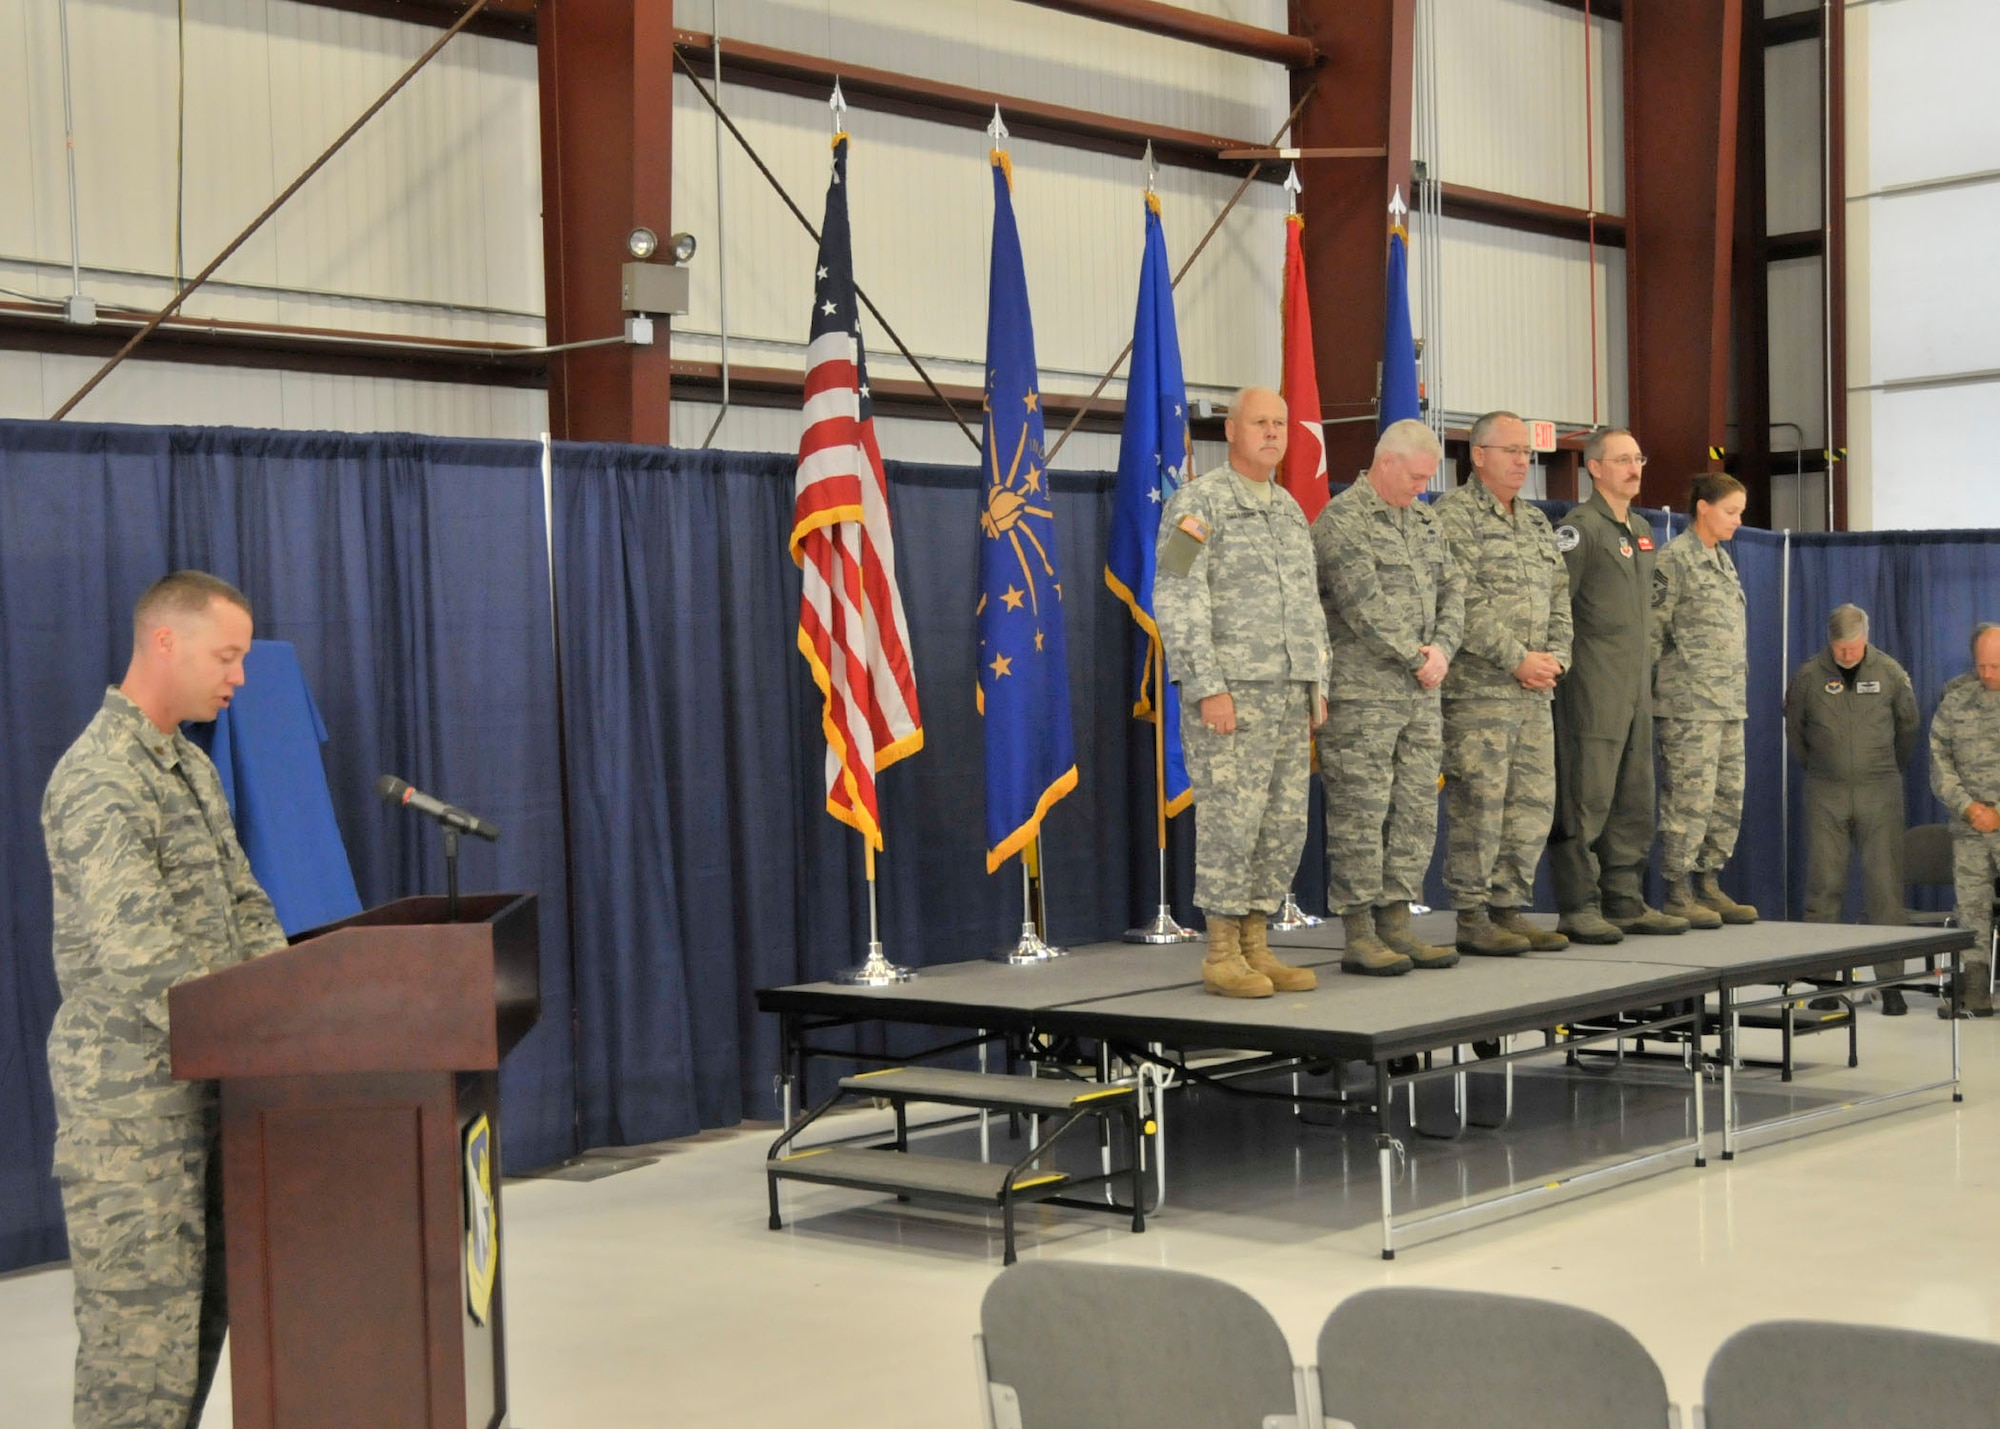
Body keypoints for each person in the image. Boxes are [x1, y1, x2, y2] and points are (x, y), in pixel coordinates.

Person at [42, 571, 289, 1429]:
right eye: (227, 655)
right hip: (134, 1126)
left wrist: (302, 1013)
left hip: (213, 1096)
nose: (240, 677)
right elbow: (145, 964)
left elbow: (248, 906)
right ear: (164, 643)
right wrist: (264, 1036)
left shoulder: (186, 765)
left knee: (192, 1347)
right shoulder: (100, 779)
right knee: (136, 1366)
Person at [1156, 386, 1331, 997]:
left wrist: (1317, 683)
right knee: (1233, 820)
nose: (1273, 433)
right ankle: (1222, 951)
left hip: (1288, 693)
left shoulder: (1286, 508)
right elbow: (1177, 593)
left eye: (1280, 423)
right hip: (1232, 693)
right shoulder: (1199, 502)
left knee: (1282, 825)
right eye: (1260, 422)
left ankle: (1258, 944)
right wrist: (1207, 686)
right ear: (1230, 431)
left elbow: (1307, 605)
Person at [1311, 418, 1465, 975]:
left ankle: (1397, 920)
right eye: (1418, 476)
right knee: (1362, 811)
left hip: (1422, 693)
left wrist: (1444, 648)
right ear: (1387, 462)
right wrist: (1419, 656)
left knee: (1416, 809)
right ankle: (1358, 931)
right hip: (1363, 696)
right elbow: (1362, 604)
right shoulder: (1342, 520)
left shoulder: (1425, 520)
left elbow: (1454, 588)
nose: (1423, 487)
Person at [1436, 411, 1574, 955]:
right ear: (1478, 455)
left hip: (1536, 692)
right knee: (1482, 804)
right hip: (1480, 693)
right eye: (1511, 450)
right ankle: (1472, 915)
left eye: (1527, 452)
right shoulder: (1454, 517)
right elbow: (1460, 603)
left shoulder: (1538, 523)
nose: (1522, 461)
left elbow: (1560, 597)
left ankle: (1508, 907)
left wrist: (1556, 658)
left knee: (1531, 804)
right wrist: (1517, 658)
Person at [1548, 429, 1688, 941]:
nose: (1635, 467)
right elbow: (1556, 604)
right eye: (1623, 459)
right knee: (1587, 796)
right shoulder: (1579, 529)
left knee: (1633, 795)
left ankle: (1624, 897)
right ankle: (1579, 904)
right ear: (1595, 469)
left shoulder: (1643, 529)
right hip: (1591, 685)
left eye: (1639, 457)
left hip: (1635, 686)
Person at [1785, 604, 1921, 1014]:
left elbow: (1908, 729)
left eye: (1854, 647)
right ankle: (1823, 985)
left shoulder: (1891, 674)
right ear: (1830, 642)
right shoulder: (1808, 676)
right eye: (1841, 648)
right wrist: (1823, 768)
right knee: (1824, 888)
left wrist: (1885, 770)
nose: (1847, 655)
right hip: (1825, 789)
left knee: (1885, 890)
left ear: (1867, 638)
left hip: (1880, 787)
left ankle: (1892, 984)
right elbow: (1795, 732)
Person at [1651, 472, 1757, 931]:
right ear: (1703, 508)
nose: (1737, 520)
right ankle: (1677, 888)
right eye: (1731, 511)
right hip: (1688, 704)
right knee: (1689, 800)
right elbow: (1652, 633)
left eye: (1740, 513)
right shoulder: (1674, 560)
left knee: (1725, 798)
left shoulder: (1723, 560)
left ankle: (1708, 880)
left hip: (1729, 704)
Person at [1926, 622, 2000, 1019]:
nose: (1987, 674)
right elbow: (1939, 761)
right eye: (1982, 665)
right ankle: (1975, 990)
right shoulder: (1956, 701)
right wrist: (1970, 807)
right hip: (1969, 825)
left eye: (1995, 666)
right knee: (1971, 907)